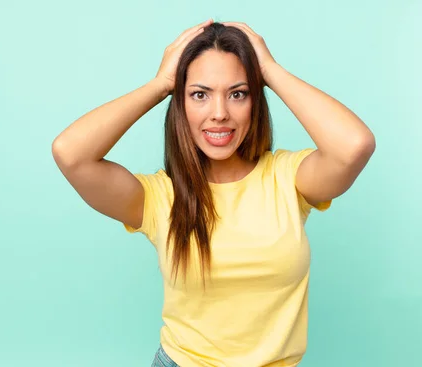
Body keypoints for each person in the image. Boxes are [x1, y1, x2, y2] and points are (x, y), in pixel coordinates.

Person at [51, 19, 375, 367]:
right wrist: (160, 84)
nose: (219, 114)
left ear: (255, 101)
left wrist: (269, 70)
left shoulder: (288, 178)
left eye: (238, 93)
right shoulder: (160, 197)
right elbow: (70, 153)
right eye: (200, 95)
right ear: (181, 103)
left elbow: (354, 146)